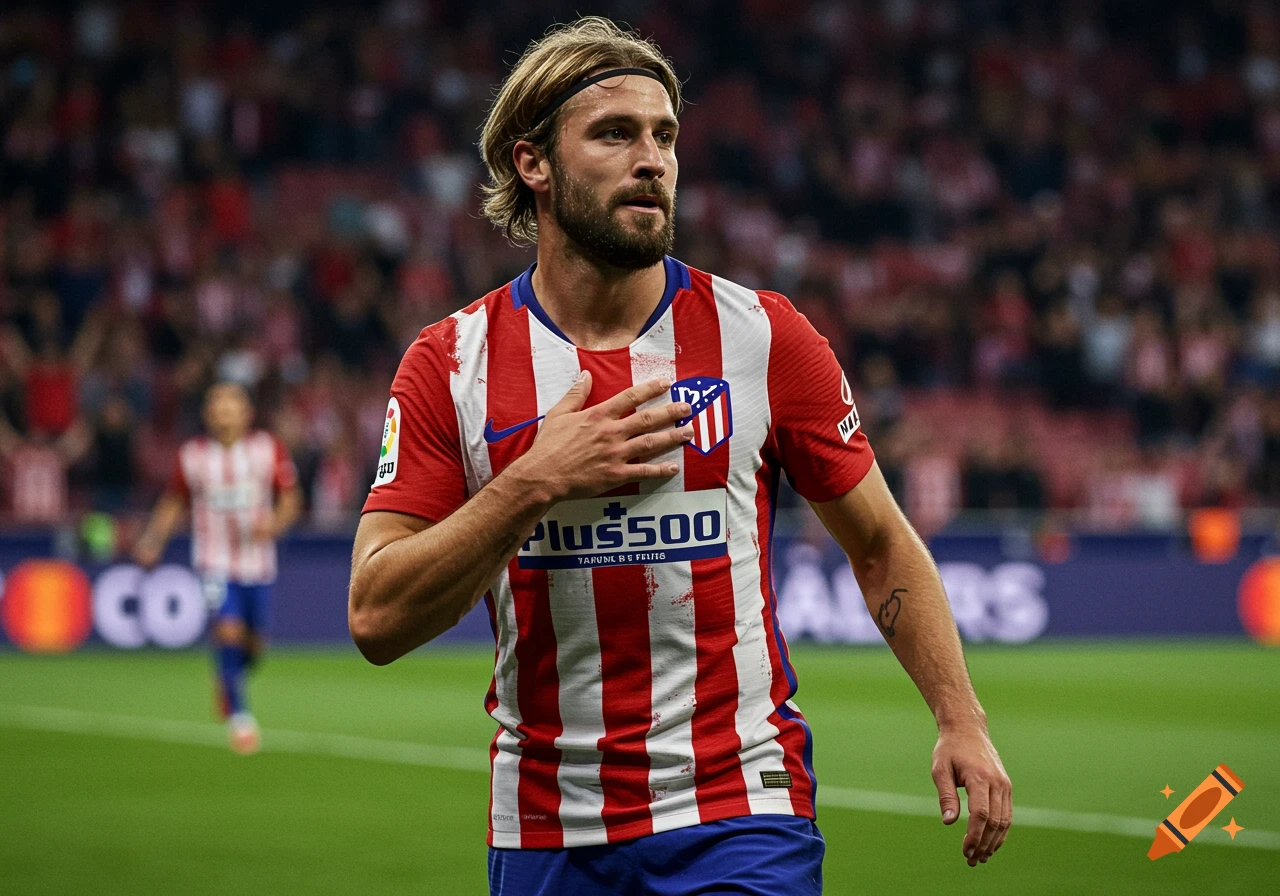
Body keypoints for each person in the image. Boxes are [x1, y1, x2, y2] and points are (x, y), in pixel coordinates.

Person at [349, 17, 1011, 894]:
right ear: (532, 163)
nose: (652, 160)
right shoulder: (451, 363)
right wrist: (536, 479)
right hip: (547, 828)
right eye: (615, 134)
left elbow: (881, 542)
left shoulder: (764, 336)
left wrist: (961, 718)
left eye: (664, 136)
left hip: (740, 811)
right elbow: (377, 617)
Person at [135, 381, 302, 754]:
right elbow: (173, 502)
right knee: (228, 631)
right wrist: (152, 540)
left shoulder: (267, 449)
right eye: (218, 406)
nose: (224, 413)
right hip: (213, 563)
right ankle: (241, 718)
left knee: (255, 643)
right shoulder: (193, 456)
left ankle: (227, 677)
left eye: (231, 406)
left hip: (258, 564)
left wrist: (274, 524)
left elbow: (290, 498)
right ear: (208, 414)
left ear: (246, 413)